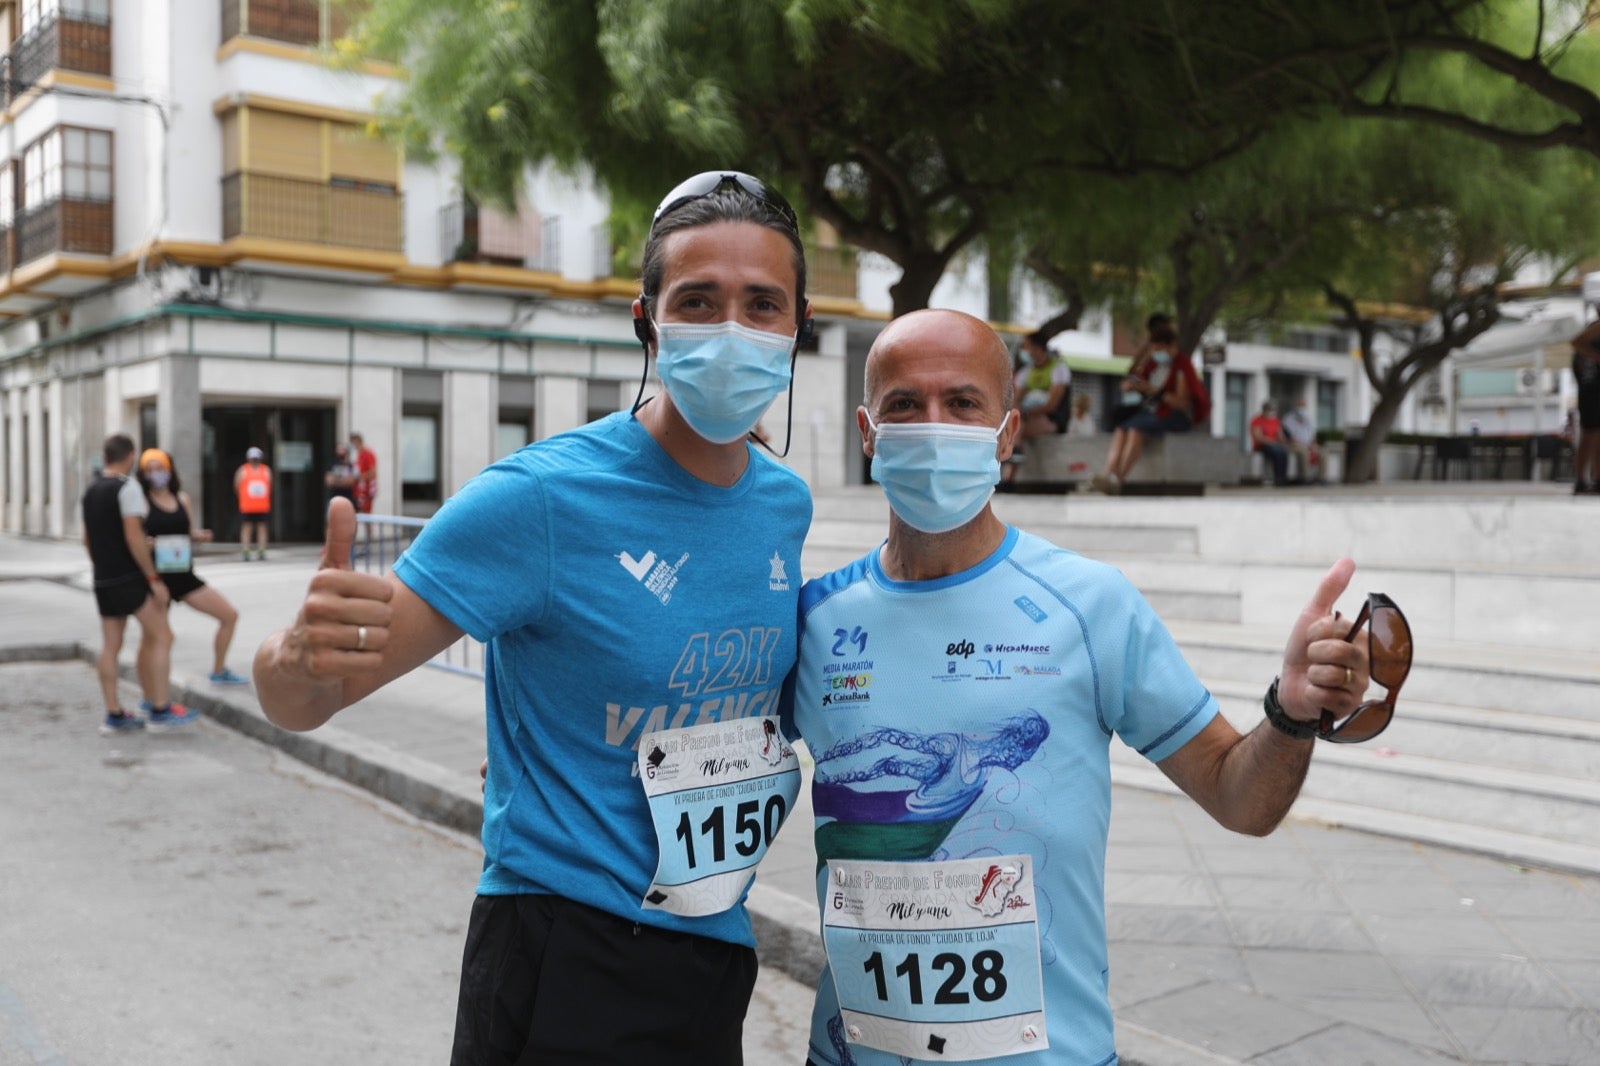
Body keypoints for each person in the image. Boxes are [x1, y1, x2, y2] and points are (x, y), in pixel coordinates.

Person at [253, 171, 815, 1065]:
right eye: (699, 301)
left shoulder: (785, 504)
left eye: (763, 304)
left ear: (797, 331)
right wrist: (296, 655)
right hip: (562, 947)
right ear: (647, 321)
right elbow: (300, 704)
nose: (731, 330)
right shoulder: (542, 499)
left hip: (713, 954)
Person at [787, 309, 1372, 1066]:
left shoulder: (1092, 604)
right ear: (868, 432)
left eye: (962, 403)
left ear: (1007, 434)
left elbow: (1241, 798)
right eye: (905, 405)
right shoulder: (814, 620)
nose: (933, 426)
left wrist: (1291, 714)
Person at [82, 434, 201, 734]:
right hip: (128, 578)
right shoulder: (128, 487)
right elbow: (134, 537)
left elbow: (88, 539)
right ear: (131, 456)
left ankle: (114, 714)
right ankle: (160, 708)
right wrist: (153, 578)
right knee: (162, 635)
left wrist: (103, 563)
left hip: (103, 578)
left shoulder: (91, 490)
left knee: (111, 646)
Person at [137, 448, 249, 686]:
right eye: (150, 469)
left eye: (160, 467)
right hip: (158, 578)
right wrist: (148, 545)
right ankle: (154, 695)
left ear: (169, 470)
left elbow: (187, 532)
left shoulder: (182, 499)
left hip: (184, 574)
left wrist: (199, 536)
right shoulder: (142, 503)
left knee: (229, 615)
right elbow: (135, 541)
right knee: (156, 638)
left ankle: (219, 671)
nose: (156, 473)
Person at [1091, 323, 1196, 493]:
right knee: (1121, 429)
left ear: (1170, 346)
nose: (1155, 353)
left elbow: (1182, 402)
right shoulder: (1153, 365)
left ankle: (1118, 479)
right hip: (1152, 413)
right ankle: (1108, 474)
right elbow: (1134, 376)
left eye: (1158, 349)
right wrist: (1133, 385)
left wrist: (1154, 391)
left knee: (1135, 429)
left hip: (1173, 415)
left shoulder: (1182, 366)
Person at [1000, 332, 1070, 486]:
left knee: (1018, 427)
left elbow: (1052, 405)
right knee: (1017, 424)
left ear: (1037, 348)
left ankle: (1008, 471)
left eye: (1026, 346)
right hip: (1028, 419)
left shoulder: (1058, 369)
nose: (1023, 350)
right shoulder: (1027, 372)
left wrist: (1025, 413)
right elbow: (1015, 401)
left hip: (1053, 420)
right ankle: (1009, 473)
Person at [1571, 320, 1600, 493]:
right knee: (1590, 432)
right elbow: (1576, 342)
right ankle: (1581, 480)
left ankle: (1596, 478)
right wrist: (1597, 357)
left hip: (1592, 381)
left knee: (1596, 433)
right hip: (1591, 383)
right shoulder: (1596, 327)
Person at [233, 446, 272, 561]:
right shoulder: (243, 470)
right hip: (247, 506)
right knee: (247, 528)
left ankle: (261, 550)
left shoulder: (266, 470)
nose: (254, 461)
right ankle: (246, 551)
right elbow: (236, 486)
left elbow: (269, 486)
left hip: (262, 506)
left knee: (261, 528)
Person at [1250, 399, 1290, 486]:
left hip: (1274, 444)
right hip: (1262, 445)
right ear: (1264, 410)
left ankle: (1283, 478)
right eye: (1270, 409)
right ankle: (1278, 478)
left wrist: (1283, 440)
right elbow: (1258, 437)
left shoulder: (1275, 421)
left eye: (1273, 410)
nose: (1272, 412)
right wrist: (1270, 441)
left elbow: (1279, 435)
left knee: (1283, 452)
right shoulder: (1257, 420)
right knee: (1277, 453)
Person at [1281, 395, 1319, 484]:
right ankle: (1305, 478)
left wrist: (1313, 445)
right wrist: (1300, 444)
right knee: (1304, 452)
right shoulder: (1288, 418)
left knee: (1323, 453)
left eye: (1303, 405)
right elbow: (1287, 436)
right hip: (1295, 444)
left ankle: (1321, 478)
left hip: (1308, 444)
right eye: (1300, 405)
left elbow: (1313, 434)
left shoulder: (1308, 417)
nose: (1301, 408)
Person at [349, 432, 378, 515]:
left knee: (366, 515)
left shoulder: (368, 454)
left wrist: (358, 477)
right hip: (359, 490)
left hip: (366, 490)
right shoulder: (359, 455)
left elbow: (373, 473)